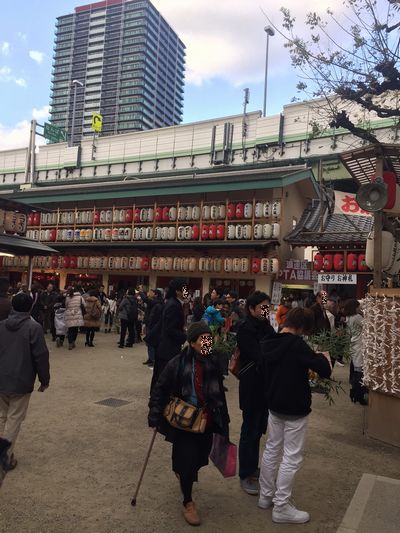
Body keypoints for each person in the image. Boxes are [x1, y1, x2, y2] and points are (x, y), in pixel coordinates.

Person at [148, 321, 230, 527]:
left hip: (207, 419)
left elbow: (220, 393)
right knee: (187, 462)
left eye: (209, 338)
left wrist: (224, 418)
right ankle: (188, 501)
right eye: (203, 339)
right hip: (184, 421)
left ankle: (183, 472)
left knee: (200, 457)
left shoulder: (213, 361)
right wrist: (155, 414)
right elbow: (160, 388)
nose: (207, 342)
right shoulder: (178, 362)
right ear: (192, 343)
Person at [258, 308, 332, 524]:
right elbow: (324, 370)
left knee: (272, 449)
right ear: (300, 327)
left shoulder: (268, 341)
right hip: (295, 408)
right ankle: (281, 507)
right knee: (291, 457)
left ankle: (265, 496)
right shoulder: (297, 345)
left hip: (273, 405)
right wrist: (322, 356)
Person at [0, 293, 50, 470]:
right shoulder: (33, 327)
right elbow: (41, 356)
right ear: (30, 307)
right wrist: (44, 380)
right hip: (21, 380)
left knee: (2, 417)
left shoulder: (2, 325)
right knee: (14, 419)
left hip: (2, 378)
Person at [237, 291, 275, 495]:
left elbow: (273, 348)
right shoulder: (245, 328)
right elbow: (259, 356)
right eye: (262, 307)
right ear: (251, 309)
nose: (265, 310)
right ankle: (245, 473)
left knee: (259, 429)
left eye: (267, 306)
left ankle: (253, 468)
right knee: (249, 430)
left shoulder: (266, 326)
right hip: (251, 386)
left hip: (265, 386)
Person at [150, 278, 187, 391]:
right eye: (184, 289)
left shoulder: (173, 303)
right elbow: (169, 329)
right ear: (178, 291)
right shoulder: (173, 305)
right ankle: (158, 402)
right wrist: (185, 336)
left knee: (161, 375)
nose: (187, 292)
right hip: (168, 347)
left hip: (166, 346)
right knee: (164, 377)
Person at [343, 299, 367, 405]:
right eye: (358, 306)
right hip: (359, 345)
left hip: (354, 345)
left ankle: (354, 393)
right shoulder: (357, 317)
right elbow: (367, 325)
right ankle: (358, 395)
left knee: (356, 371)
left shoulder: (349, 317)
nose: (359, 308)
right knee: (359, 373)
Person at [142, 289, 164, 366]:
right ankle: (150, 358)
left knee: (151, 342)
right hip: (151, 324)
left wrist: (142, 291)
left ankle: (153, 359)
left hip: (153, 325)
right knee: (149, 343)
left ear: (156, 294)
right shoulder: (155, 301)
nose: (149, 293)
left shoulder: (156, 302)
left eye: (152, 292)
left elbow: (145, 299)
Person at [64, 286, 85, 350]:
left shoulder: (67, 297)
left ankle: (70, 343)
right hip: (77, 314)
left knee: (70, 329)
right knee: (75, 329)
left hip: (69, 314)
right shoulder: (80, 297)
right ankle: (73, 341)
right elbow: (84, 304)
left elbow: (66, 305)